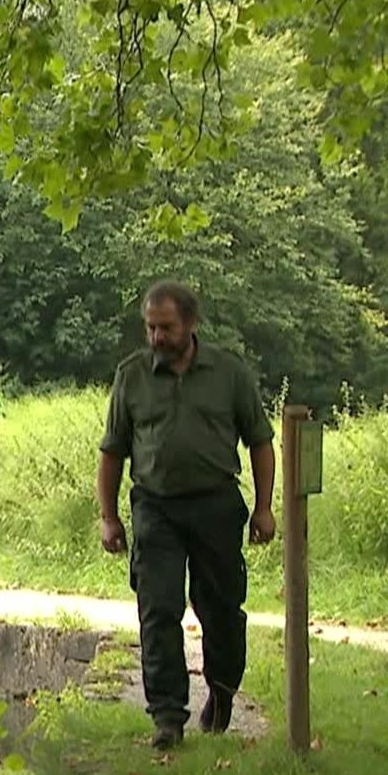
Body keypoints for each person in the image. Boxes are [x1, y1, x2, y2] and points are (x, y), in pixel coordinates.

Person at [96, 280, 275, 750]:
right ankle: (167, 716)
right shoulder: (131, 376)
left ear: (191, 324)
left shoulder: (228, 374)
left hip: (216, 504)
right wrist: (109, 516)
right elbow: (112, 450)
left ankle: (222, 688)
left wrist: (264, 507)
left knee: (220, 609)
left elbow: (260, 439)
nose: (156, 337)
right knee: (158, 610)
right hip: (155, 507)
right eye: (150, 328)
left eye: (166, 328)